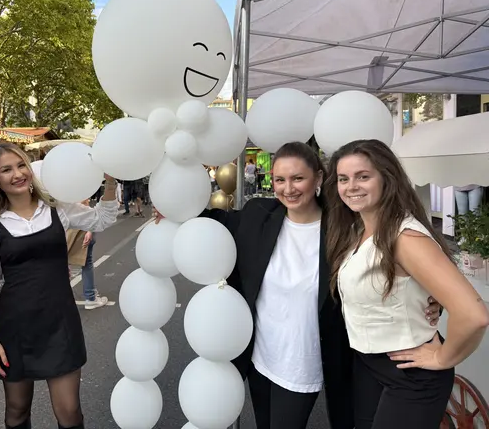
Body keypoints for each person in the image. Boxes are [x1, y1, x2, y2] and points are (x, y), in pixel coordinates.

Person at [154, 141, 440, 429]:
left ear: (318, 178)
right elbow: (218, 222)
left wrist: (431, 297)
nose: (288, 188)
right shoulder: (258, 214)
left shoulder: (345, 227)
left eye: (298, 178)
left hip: (302, 364)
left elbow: (397, 263)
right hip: (260, 359)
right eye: (280, 180)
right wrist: (176, 213)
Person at [325, 139, 489, 429]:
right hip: (369, 365)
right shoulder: (357, 229)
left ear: (386, 179)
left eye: (363, 176)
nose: (351, 186)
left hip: (411, 376)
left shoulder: (405, 238)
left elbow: (474, 315)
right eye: (343, 179)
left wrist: (443, 357)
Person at [0, 143, 118, 429]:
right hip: (14, 329)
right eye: (6, 170)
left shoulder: (58, 209)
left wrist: (110, 181)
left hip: (60, 324)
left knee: (69, 412)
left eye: (21, 165)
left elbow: (103, 218)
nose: (18, 174)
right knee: (17, 411)